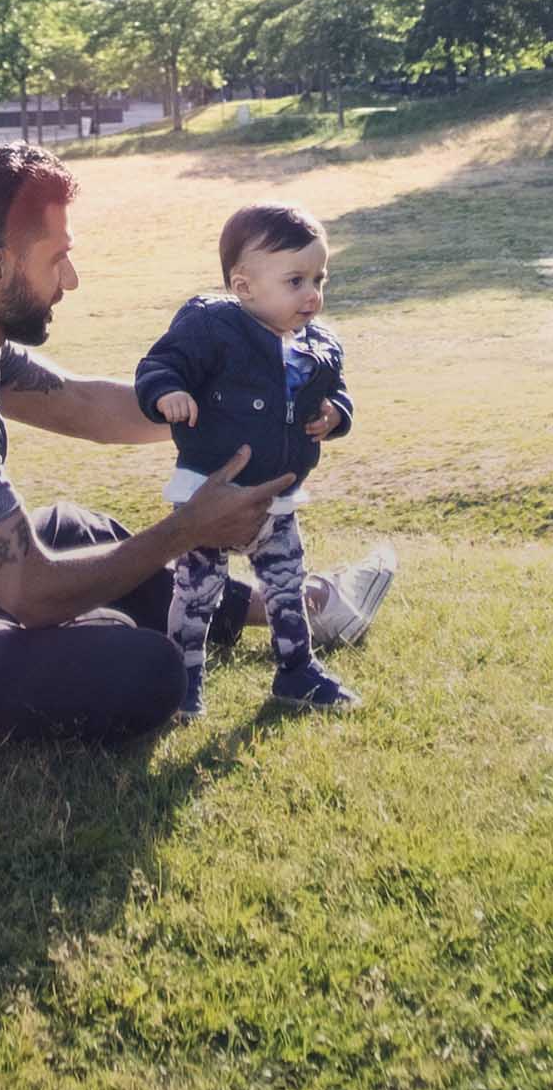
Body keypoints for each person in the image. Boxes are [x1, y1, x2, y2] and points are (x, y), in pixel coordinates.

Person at [0, 143, 398, 745]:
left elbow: (82, 403)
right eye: (57, 259)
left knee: (76, 528)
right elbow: (31, 591)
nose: (72, 281)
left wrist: (239, 413)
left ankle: (297, 606)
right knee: (144, 670)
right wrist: (185, 527)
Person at [138, 202, 379, 716]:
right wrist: (167, 393)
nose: (312, 295)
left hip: (277, 498)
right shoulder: (212, 327)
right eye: (295, 281)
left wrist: (336, 414)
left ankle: (297, 672)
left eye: (320, 278)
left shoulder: (320, 346)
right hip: (209, 496)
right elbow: (161, 364)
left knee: (286, 589)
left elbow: (337, 392)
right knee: (196, 593)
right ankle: (183, 682)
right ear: (244, 287)